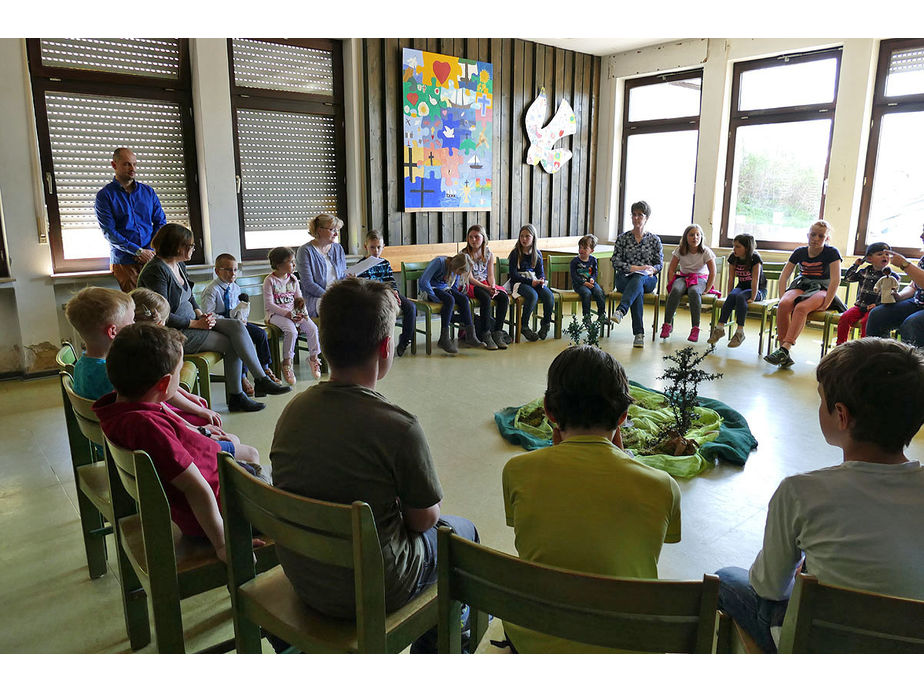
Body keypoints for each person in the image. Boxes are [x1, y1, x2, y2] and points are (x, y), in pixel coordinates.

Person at [270, 277, 479, 651]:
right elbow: (424, 519)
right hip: (374, 586)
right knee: (463, 533)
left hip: (304, 574)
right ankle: (443, 640)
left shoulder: (293, 410)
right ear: (386, 346)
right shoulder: (399, 426)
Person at [716, 338, 924, 653]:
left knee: (725, 579)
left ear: (841, 415)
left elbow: (768, 587)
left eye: (820, 399)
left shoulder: (801, 491)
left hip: (819, 648)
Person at [502, 345, 681, 653]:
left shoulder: (517, 471)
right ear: (623, 416)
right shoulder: (662, 486)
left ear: (548, 410)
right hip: (627, 648)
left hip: (533, 640)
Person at [94, 323, 263, 562]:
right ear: (163, 384)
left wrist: (200, 432)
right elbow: (196, 487)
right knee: (293, 502)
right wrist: (224, 543)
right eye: (179, 371)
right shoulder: (148, 427)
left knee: (249, 459)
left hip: (205, 498)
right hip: (218, 511)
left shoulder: (120, 411)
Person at [137, 223, 290, 413]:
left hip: (194, 323)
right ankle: (238, 394)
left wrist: (202, 314)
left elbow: (190, 296)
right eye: (191, 245)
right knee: (233, 342)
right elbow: (162, 315)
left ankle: (260, 380)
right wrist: (196, 323)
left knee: (236, 327)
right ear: (177, 246)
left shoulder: (179, 264)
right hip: (175, 332)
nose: (193, 248)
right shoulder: (156, 271)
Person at [199, 253, 282, 395]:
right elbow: (208, 314)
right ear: (217, 271)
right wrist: (232, 321)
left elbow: (240, 308)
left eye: (235, 270)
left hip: (236, 323)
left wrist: (242, 317)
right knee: (241, 340)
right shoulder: (212, 290)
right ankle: (242, 376)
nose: (233, 273)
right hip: (219, 326)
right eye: (228, 270)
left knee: (260, 333)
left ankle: (264, 367)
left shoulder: (235, 288)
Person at [764, 220, 842, 368]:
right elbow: (784, 275)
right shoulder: (799, 251)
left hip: (822, 288)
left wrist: (827, 302)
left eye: (821, 236)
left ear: (827, 238)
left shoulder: (832, 253)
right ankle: (783, 351)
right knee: (784, 304)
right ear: (808, 235)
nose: (816, 239)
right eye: (813, 235)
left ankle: (785, 348)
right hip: (802, 284)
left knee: (801, 308)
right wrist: (782, 296)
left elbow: (835, 280)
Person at [94, 147, 167, 292]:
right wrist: (137, 251)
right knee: (136, 307)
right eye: (127, 164)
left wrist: (149, 250)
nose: (132, 168)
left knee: (159, 304)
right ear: (114, 165)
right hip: (125, 262)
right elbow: (109, 232)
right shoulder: (104, 196)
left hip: (151, 257)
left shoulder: (148, 192)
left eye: (134, 164)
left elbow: (160, 222)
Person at [263, 246, 322, 384]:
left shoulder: (293, 279)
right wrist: (288, 314)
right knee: (291, 331)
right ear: (279, 265)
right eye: (290, 261)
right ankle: (287, 363)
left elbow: (299, 300)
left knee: (312, 328)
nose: (294, 264)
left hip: (294, 313)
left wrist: (304, 315)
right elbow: (269, 305)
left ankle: (313, 358)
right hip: (276, 314)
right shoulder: (270, 281)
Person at [354, 229, 416, 357]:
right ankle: (380, 343)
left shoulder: (385, 263)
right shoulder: (361, 265)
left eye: (378, 247)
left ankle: (404, 340)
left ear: (383, 247)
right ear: (366, 246)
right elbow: (364, 287)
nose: (376, 251)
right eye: (372, 247)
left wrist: (395, 293)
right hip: (374, 297)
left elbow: (391, 281)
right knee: (383, 311)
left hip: (389, 293)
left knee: (411, 307)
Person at [610, 201, 663, 348]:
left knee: (639, 280)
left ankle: (621, 310)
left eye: (640, 215)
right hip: (624, 279)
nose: (636, 218)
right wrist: (635, 268)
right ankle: (639, 334)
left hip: (648, 280)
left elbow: (659, 264)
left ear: (646, 218)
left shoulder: (654, 240)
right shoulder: (623, 238)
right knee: (636, 286)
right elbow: (615, 261)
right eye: (634, 215)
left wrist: (652, 269)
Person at [865, 225, 924, 347]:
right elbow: (913, 286)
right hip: (918, 302)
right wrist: (899, 296)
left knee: (912, 324)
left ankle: (913, 365)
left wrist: (905, 264)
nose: (921, 236)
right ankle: (878, 359)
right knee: (877, 315)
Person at [659, 224, 716, 342]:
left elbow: (712, 272)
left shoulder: (706, 251)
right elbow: (671, 269)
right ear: (686, 237)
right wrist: (671, 284)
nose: (695, 237)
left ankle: (695, 328)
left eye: (697, 235)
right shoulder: (680, 250)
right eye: (691, 235)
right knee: (675, 290)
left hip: (700, 279)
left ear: (701, 237)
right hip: (683, 277)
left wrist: (707, 289)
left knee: (694, 291)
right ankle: (667, 324)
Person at [418, 253, 486, 353]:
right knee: (450, 300)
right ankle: (444, 338)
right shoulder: (439, 262)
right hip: (428, 290)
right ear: (456, 266)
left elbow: (453, 287)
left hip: (444, 289)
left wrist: (457, 295)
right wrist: (434, 297)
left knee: (464, 299)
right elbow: (424, 281)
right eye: (459, 272)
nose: (459, 274)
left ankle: (470, 335)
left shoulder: (455, 269)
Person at [708, 233, 766, 348]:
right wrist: (729, 295)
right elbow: (731, 278)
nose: (734, 249)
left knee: (740, 297)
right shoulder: (733, 258)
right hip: (742, 287)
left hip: (758, 290)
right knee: (734, 295)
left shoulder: (755, 258)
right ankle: (719, 328)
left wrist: (753, 297)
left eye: (738, 246)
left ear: (747, 248)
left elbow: (755, 280)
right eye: (733, 246)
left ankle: (740, 332)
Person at [461, 224, 510, 350]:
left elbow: (491, 275)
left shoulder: (488, 253)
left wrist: (492, 287)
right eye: (470, 237)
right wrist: (487, 289)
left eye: (476, 237)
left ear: (483, 238)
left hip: (485, 283)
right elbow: (470, 278)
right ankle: (486, 333)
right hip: (469, 285)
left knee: (503, 297)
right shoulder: (464, 254)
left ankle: (498, 332)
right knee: (485, 298)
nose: (473, 240)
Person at [835, 242, 891, 345]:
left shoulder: (889, 276)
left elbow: (890, 296)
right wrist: (856, 265)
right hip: (860, 306)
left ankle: (864, 346)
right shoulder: (864, 271)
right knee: (845, 318)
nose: (885, 256)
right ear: (869, 258)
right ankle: (840, 344)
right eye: (880, 254)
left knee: (867, 322)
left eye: (887, 254)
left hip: (875, 308)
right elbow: (848, 278)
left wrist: (877, 305)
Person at [507, 224, 555, 342]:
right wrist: (530, 282)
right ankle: (524, 325)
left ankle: (545, 323)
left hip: (533, 280)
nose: (524, 239)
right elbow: (513, 275)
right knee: (532, 295)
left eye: (527, 236)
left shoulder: (537, 253)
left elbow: (540, 273)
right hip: (519, 282)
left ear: (533, 238)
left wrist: (541, 279)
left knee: (549, 296)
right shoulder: (515, 253)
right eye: (522, 236)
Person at [295, 213, 346, 317]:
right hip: (315, 298)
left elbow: (343, 276)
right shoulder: (305, 251)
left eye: (337, 230)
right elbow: (308, 284)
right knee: (340, 310)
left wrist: (349, 278)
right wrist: (329, 296)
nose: (336, 234)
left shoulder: (338, 248)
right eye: (332, 230)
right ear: (319, 230)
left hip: (338, 296)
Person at [569, 234, 607, 324]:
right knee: (587, 293)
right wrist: (584, 283)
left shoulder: (593, 260)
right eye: (580, 248)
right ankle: (586, 317)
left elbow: (595, 272)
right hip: (579, 284)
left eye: (585, 248)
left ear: (591, 251)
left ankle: (602, 315)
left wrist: (592, 279)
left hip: (590, 282)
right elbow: (574, 276)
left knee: (599, 292)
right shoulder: (575, 261)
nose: (581, 250)